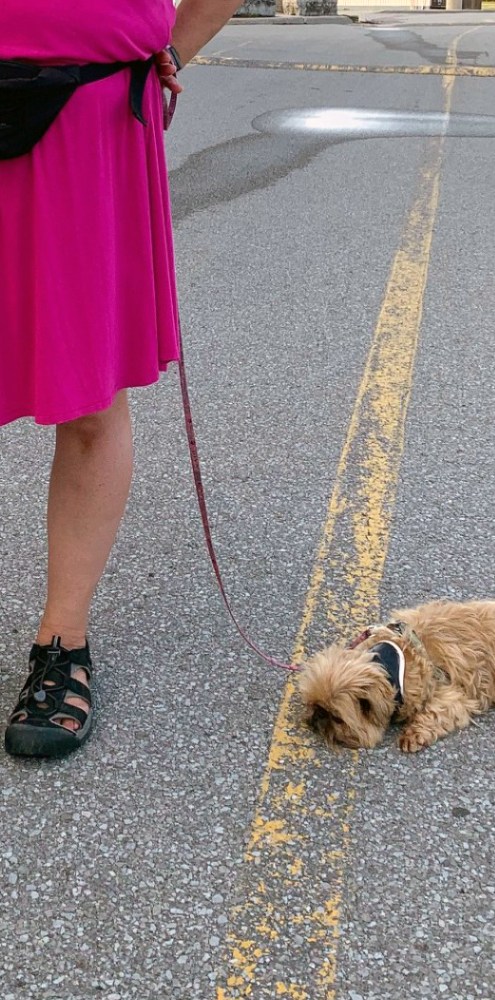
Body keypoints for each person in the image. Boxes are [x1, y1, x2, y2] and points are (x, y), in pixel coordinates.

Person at [1, 0, 243, 758]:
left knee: (91, 396)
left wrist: (171, 45)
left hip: (87, 116)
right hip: (90, 104)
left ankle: (62, 642)